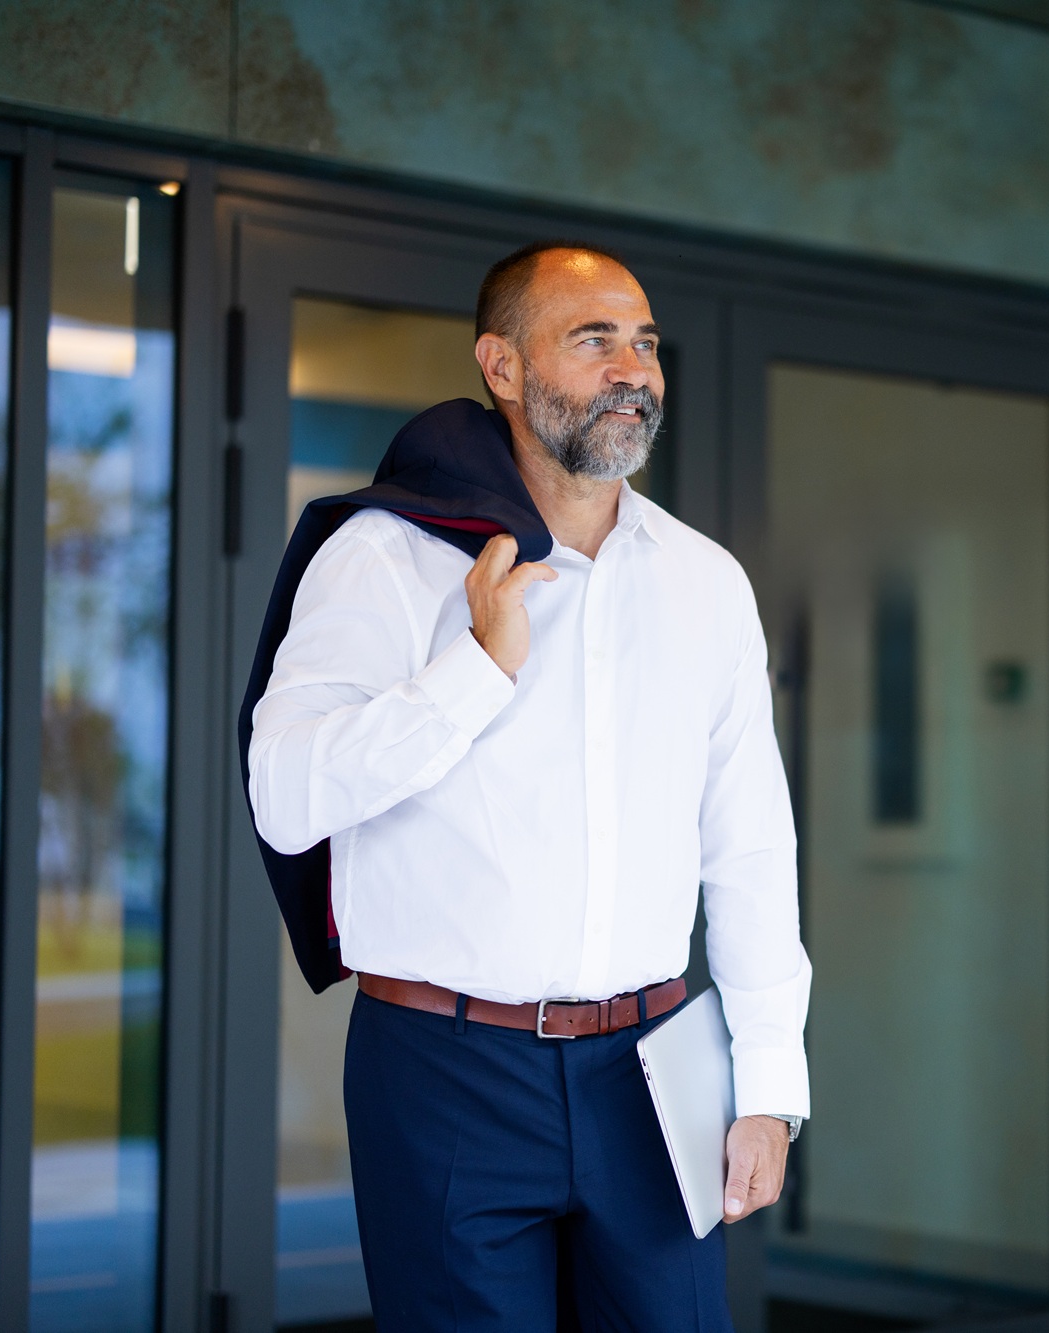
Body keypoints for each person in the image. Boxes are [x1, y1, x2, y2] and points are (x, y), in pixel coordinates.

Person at [244, 242, 809, 1332]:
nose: (632, 369)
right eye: (593, 340)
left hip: (653, 1073)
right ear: (501, 366)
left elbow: (748, 846)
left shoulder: (706, 583)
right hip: (442, 1072)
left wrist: (771, 1084)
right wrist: (476, 670)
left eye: (644, 343)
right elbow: (285, 794)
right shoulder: (384, 557)